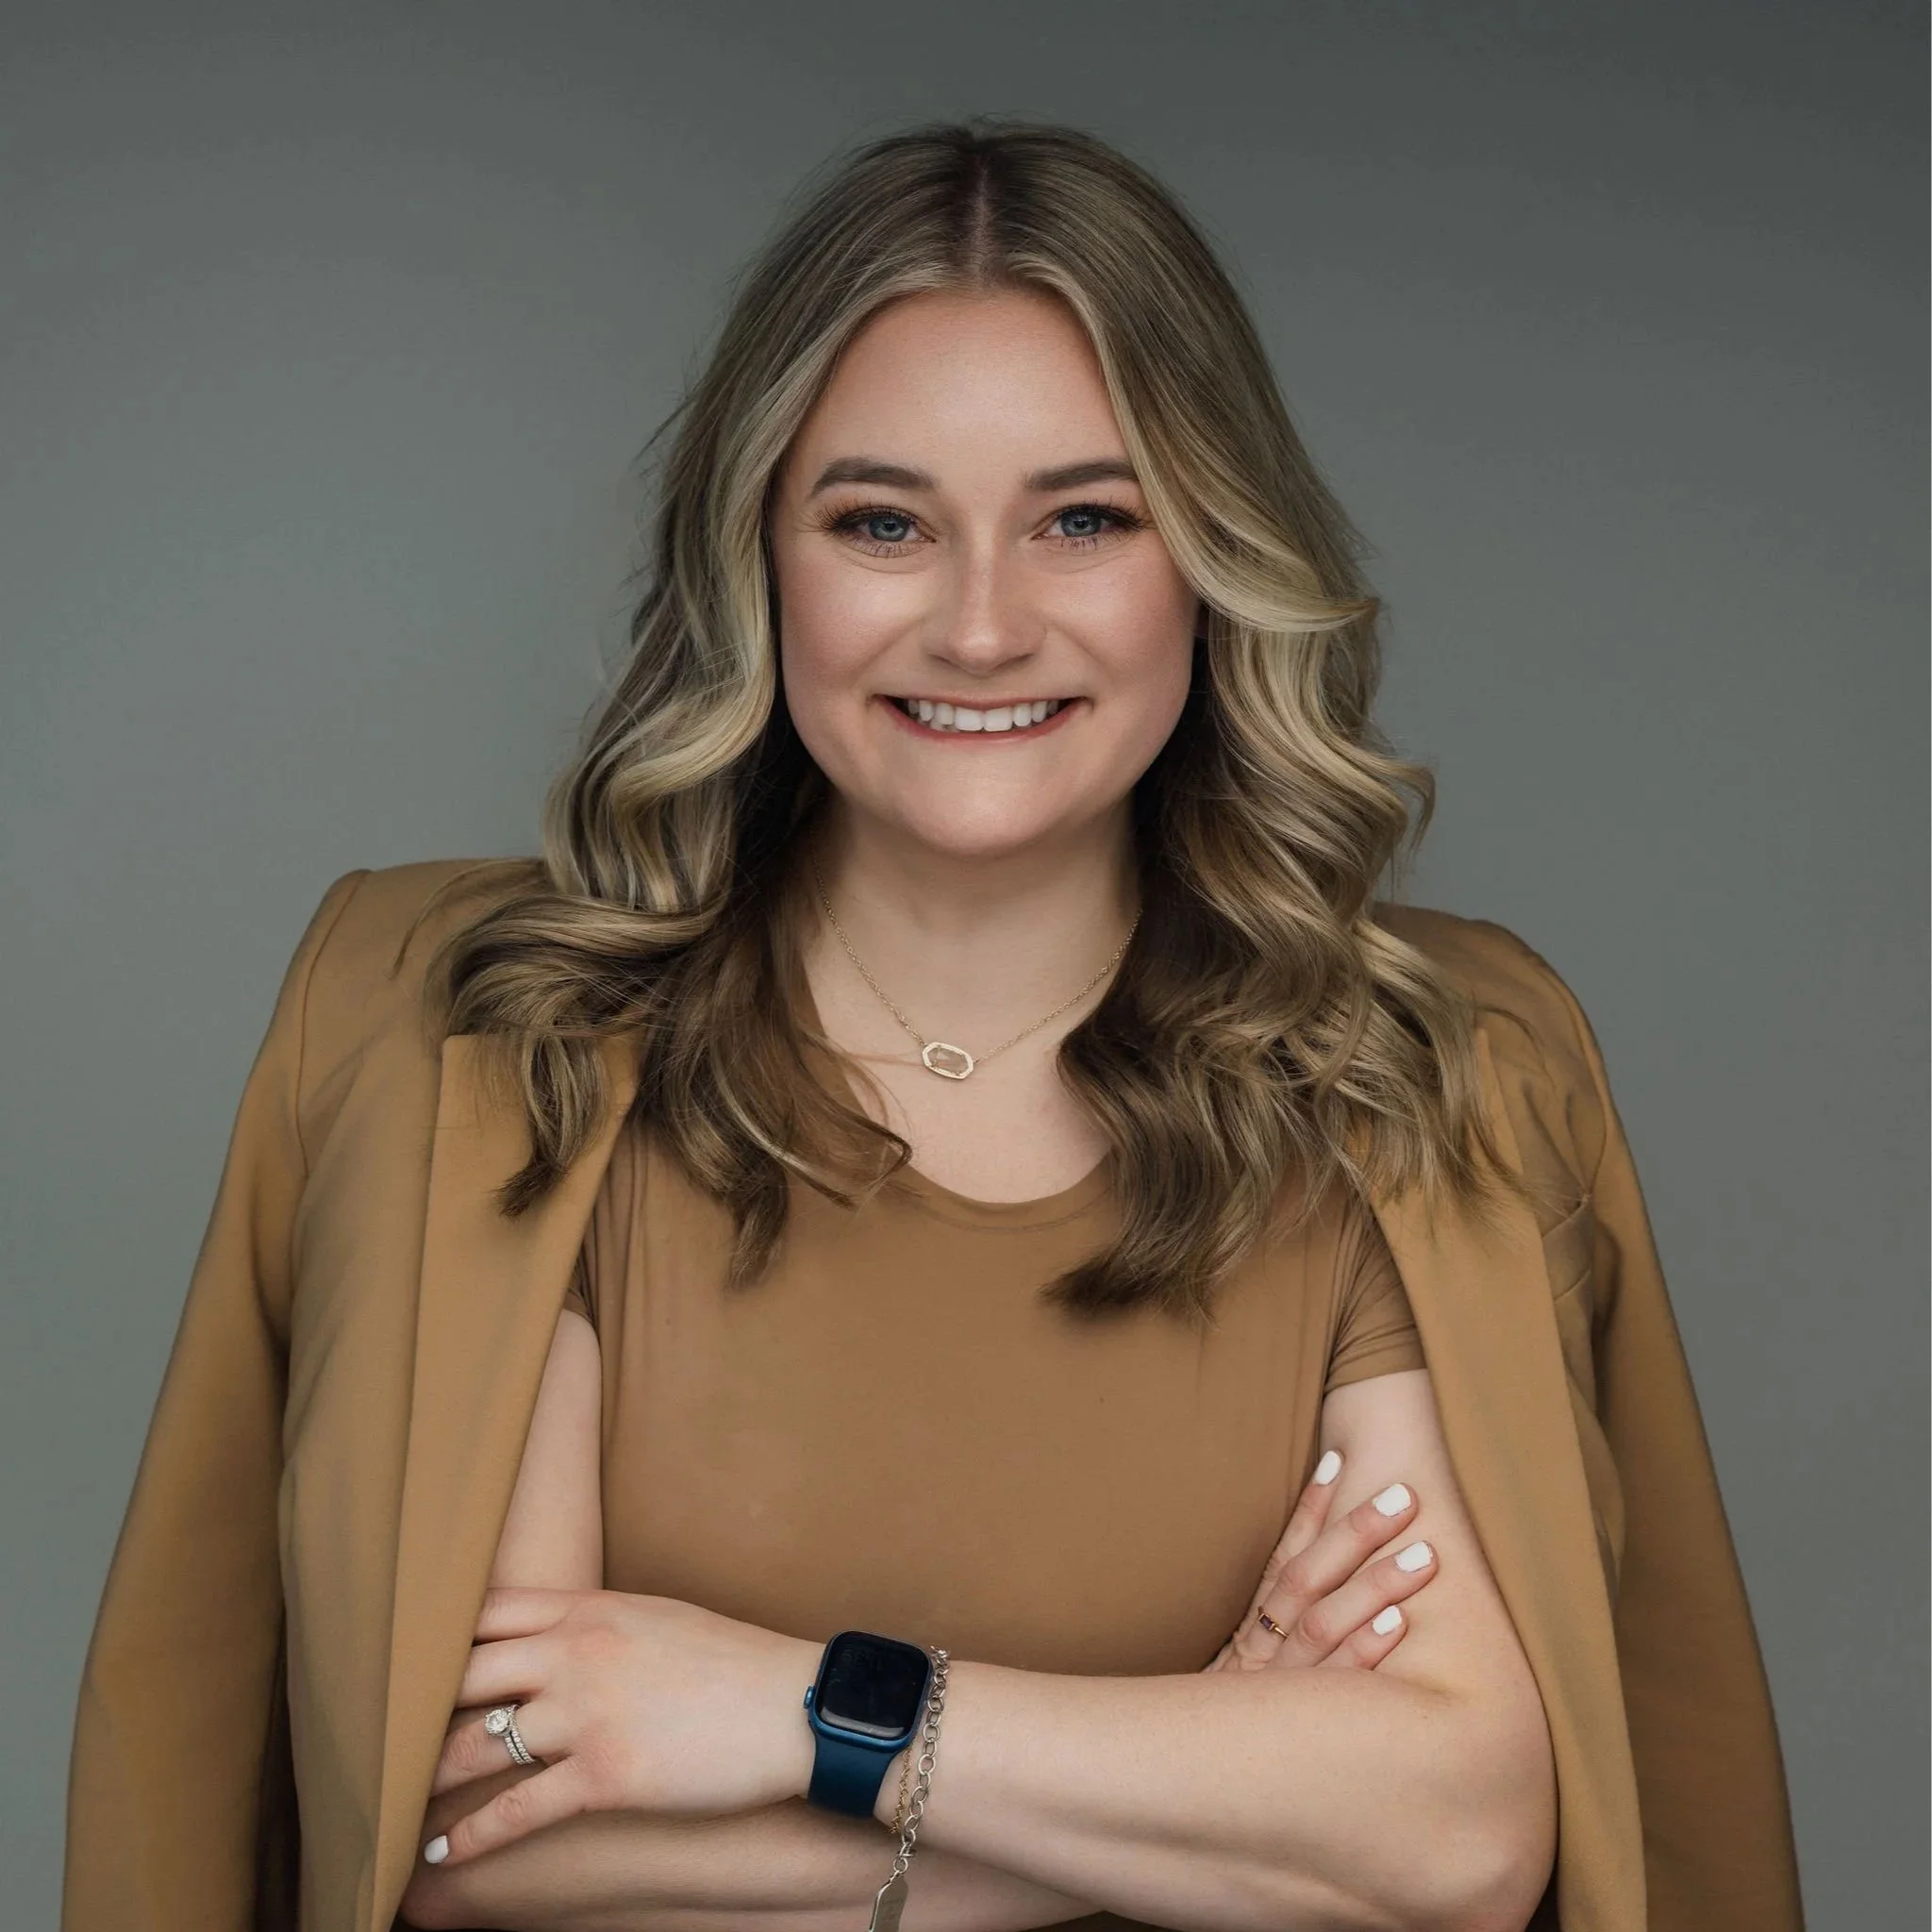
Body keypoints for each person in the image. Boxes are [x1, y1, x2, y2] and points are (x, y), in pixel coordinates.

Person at [63, 122, 1803, 1932]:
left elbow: (1448, 1836)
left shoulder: (1408, 1076)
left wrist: (802, 1716)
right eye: (883, 521)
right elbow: (491, 1834)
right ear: (762, 555)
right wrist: (1206, 1770)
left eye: (1085, 517)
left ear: (1208, 565)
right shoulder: (495, 1041)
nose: (982, 624)